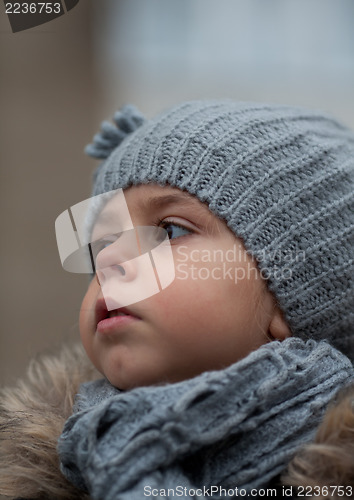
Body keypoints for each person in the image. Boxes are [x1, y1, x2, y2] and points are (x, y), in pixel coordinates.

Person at [0, 101, 353, 500]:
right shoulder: (42, 476)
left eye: (170, 231)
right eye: (102, 243)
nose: (110, 259)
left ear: (291, 298)